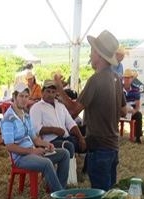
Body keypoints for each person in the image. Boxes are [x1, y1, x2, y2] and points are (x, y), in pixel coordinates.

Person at [53, 30, 126, 190]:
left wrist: (59, 88)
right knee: (110, 196)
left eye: (92, 51)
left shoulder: (96, 80)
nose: (90, 55)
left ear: (99, 55)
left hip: (99, 147)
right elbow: (124, 111)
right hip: (113, 147)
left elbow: (73, 111)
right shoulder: (116, 79)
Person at [1, 85, 70, 193]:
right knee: (47, 163)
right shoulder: (8, 119)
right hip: (21, 158)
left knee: (65, 153)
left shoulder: (26, 115)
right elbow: (10, 147)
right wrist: (32, 151)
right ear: (14, 97)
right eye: (21, 96)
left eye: (26, 96)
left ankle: (60, 189)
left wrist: (46, 144)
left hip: (31, 153)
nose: (24, 100)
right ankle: (60, 194)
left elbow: (34, 138)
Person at [29, 79, 86, 159]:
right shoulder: (36, 107)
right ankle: (68, 169)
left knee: (89, 142)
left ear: (56, 93)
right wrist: (54, 130)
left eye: (53, 92)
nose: (51, 94)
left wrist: (80, 138)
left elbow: (71, 123)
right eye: (48, 91)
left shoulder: (60, 106)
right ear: (42, 92)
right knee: (69, 146)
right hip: (49, 142)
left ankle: (86, 169)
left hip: (66, 137)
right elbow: (36, 129)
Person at [121, 69, 144, 143]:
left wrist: (134, 111)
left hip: (131, 111)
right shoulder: (118, 88)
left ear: (132, 79)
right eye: (125, 77)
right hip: (120, 110)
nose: (127, 79)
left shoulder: (136, 89)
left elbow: (137, 106)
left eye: (129, 78)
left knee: (138, 115)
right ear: (123, 79)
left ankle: (137, 137)